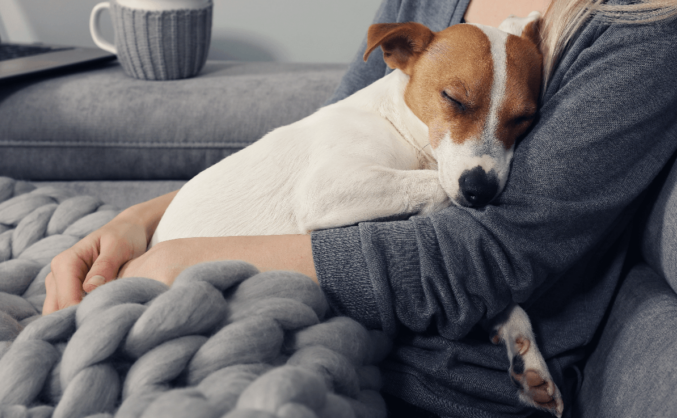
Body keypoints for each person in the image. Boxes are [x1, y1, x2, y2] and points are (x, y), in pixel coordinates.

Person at [44, 0, 677, 416]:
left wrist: (193, 258)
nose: (485, 157)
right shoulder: (423, 33)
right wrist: (140, 222)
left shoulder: (635, 30)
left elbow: (483, 256)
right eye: (455, 103)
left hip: (418, 372)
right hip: (217, 285)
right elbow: (320, 154)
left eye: (518, 125)